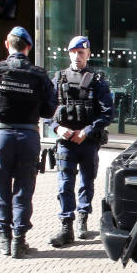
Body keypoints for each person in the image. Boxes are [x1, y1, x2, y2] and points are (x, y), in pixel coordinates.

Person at [0, 26, 56, 258]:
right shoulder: (39, 74)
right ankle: (19, 241)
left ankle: (3, 238)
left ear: (7, 44)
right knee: (24, 189)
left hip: (1, 136)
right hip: (28, 136)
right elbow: (50, 109)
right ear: (28, 47)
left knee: (0, 188)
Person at [46, 36, 113, 247]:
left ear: (88, 54)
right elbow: (46, 110)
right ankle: (66, 226)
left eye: (81, 52)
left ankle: (83, 218)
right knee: (65, 183)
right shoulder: (58, 79)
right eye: (73, 52)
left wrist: (87, 131)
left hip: (88, 141)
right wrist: (58, 128)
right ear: (68, 53)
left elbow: (107, 113)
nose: (77, 56)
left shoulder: (98, 80)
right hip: (65, 141)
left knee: (86, 181)